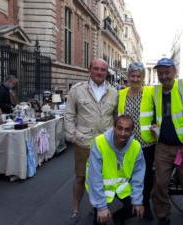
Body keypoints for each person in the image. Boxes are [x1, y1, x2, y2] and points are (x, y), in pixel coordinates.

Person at [65, 58, 118, 224]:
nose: (99, 72)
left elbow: (116, 117)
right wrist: (72, 135)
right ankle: (75, 209)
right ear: (90, 70)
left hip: (106, 144)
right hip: (84, 142)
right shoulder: (77, 90)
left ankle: (99, 208)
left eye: (103, 70)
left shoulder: (113, 92)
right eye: (96, 69)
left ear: (106, 72)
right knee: (80, 177)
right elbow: (69, 114)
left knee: (103, 178)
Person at [151, 58, 183, 225]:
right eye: (160, 73)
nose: (164, 76)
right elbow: (154, 113)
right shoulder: (155, 91)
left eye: (167, 72)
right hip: (163, 147)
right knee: (160, 184)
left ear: (174, 71)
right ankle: (163, 216)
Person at [86, 115, 146, 225]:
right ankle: (101, 213)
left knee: (136, 209)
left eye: (127, 129)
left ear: (132, 131)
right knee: (101, 219)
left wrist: (137, 201)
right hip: (101, 190)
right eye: (119, 128)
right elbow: (95, 178)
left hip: (121, 188)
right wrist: (101, 207)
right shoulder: (99, 142)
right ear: (113, 127)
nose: (123, 133)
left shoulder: (136, 147)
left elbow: (138, 176)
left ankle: (117, 218)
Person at [117, 62, 156, 220]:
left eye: (138, 76)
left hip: (146, 143)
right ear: (128, 77)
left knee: (146, 177)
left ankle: (145, 206)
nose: (135, 79)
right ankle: (131, 205)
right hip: (126, 143)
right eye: (132, 76)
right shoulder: (121, 93)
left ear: (143, 77)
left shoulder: (151, 92)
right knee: (128, 176)